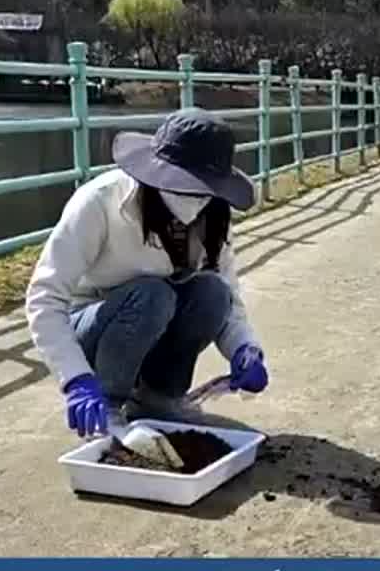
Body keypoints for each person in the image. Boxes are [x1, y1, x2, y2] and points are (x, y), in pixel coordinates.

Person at [24, 108, 271, 439]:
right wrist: (75, 378)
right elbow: (44, 297)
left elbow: (227, 293)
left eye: (203, 189)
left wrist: (245, 349)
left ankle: (159, 398)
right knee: (153, 294)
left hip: (157, 319)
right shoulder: (100, 202)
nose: (194, 199)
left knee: (210, 292)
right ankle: (109, 404)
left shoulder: (213, 214)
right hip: (93, 323)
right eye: (185, 185)